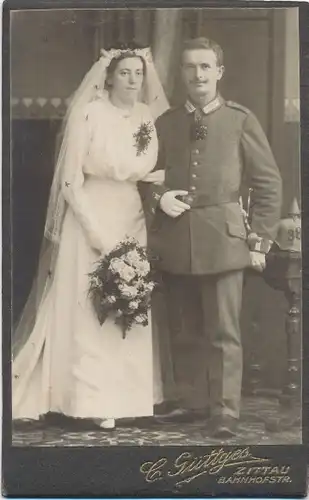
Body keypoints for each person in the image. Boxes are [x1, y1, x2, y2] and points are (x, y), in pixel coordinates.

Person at [12, 47, 169, 430]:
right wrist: (96, 230)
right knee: (88, 305)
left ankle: (128, 397)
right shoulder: (90, 113)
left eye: (138, 73)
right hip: (89, 215)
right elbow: (70, 181)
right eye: (126, 73)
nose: (134, 80)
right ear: (109, 77)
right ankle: (86, 400)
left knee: (129, 300)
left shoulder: (146, 116)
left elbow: (147, 169)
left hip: (130, 216)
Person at [142, 37, 282, 437]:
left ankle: (225, 411)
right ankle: (192, 403)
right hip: (176, 237)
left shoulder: (240, 120)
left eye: (205, 67)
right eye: (190, 67)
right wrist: (160, 196)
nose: (198, 75)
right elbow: (145, 176)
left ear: (219, 72)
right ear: (181, 73)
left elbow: (269, 183)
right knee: (184, 329)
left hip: (224, 239)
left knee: (223, 331)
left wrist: (258, 239)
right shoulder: (166, 123)